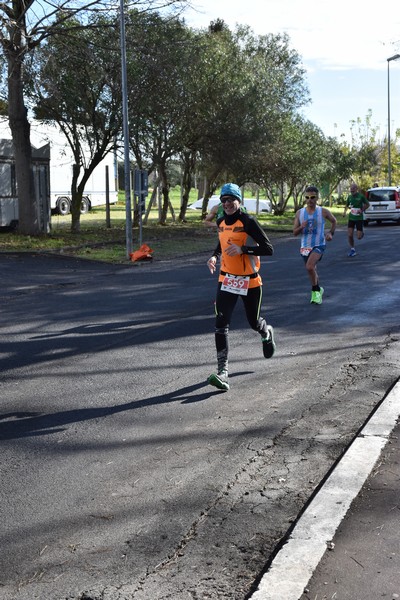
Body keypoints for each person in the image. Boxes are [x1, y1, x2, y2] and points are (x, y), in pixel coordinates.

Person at [206, 183, 275, 391]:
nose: (227, 204)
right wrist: (214, 256)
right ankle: (223, 372)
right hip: (227, 278)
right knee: (221, 322)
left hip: (249, 281)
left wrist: (244, 249)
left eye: (231, 200)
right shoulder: (220, 222)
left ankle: (266, 333)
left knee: (253, 322)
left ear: (239, 201)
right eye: (223, 200)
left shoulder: (248, 221)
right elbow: (222, 243)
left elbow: (268, 249)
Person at [293, 185, 337, 305]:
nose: (310, 200)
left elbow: (334, 221)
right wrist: (301, 226)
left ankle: (315, 292)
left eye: (313, 197)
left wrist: (330, 233)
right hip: (305, 246)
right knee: (312, 269)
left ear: (317, 198)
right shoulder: (299, 213)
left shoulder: (322, 211)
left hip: (319, 244)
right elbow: (294, 232)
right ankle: (318, 290)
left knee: (310, 267)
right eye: (307, 197)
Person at [343, 183, 369, 257]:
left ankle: (361, 233)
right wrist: (344, 212)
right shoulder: (350, 197)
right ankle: (352, 249)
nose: (352, 191)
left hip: (359, 218)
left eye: (353, 190)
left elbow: (367, 204)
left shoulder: (361, 196)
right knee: (350, 235)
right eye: (351, 190)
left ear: (356, 189)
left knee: (359, 237)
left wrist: (362, 210)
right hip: (351, 218)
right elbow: (346, 205)